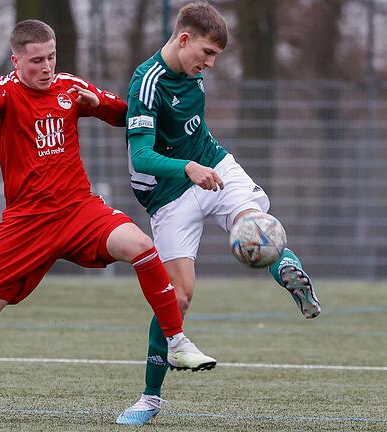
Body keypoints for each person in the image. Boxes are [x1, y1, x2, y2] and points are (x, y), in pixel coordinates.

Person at [0, 19, 216, 421]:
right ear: (16, 60)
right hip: (26, 223)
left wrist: (97, 104)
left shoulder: (68, 86)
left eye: (51, 56)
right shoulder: (4, 90)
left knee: (140, 245)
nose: (47, 66)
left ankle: (175, 340)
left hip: (78, 210)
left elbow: (126, 115)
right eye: (36, 60)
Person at [116, 1, 321, 425]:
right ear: (184, 39)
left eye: (215, 57)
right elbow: (141, 154)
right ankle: (149, 399)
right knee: (178, 297)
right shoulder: (147, 82)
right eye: (207, 54)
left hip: (214, 166)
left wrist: (200, 165)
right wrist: (187, 169)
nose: (210, 64)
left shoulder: (194, 74)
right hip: (170, 193)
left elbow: (189, 133)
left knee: (253, 223)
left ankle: (288, 270)